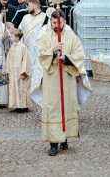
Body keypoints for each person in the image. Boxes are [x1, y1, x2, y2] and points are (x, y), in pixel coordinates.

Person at [38, 10, 91, 157]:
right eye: (54, 23)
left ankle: (65, 137)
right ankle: (53, 143)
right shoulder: (46, 37)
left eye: (59, 22)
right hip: (52, 78)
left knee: (66, 107)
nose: (56, 25)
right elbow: (41, 55)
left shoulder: (72, 38)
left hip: (66, 78)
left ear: (64, 22)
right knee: (52, 108)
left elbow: (79, 55)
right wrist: (53, 51)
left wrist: (66, 58)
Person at [6, 28, 32, 111]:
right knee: (15, 88)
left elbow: (26, 60)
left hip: (20, 71)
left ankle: (23, 106)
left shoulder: (23, 47)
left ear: (17, 38)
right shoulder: (12, 47)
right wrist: (8, 69)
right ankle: (17, 105)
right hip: (13, 71)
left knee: (22, 88)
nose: (11, 38)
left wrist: (24, 72)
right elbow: (9, 59)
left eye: (12, 36)